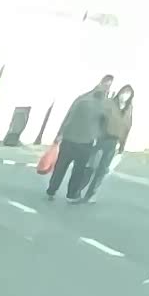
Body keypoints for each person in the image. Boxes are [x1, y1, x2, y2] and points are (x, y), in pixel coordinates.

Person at [46, 73, 112, 201]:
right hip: (70, 139)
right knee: (61, 167)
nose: (106, 88)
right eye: (105, 84)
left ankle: (70, 193)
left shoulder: (105, 105)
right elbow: (69, 115)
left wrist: (97, 138)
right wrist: (60, 134)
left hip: (86, 142)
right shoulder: (84, 99)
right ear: (100, 83)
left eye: (108, 86)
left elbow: (104, 124)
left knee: (78, 170)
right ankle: (52, 190)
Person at [87, 78, 136, 198]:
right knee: (91, 166)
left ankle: (90, 194)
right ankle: (77, 190)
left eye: (128, 94)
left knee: (102, 169)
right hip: (101, 138)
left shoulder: (129, 109)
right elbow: (98, 119)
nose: (125, 95)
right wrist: (94, 136)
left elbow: (127, 128)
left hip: (113, 142)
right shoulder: (109, 103)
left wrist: (122, 146)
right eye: (124, 92)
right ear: (119, 92)